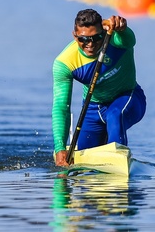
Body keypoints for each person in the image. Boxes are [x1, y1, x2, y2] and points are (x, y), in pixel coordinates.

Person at [52, 9, 146, 166]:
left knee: (115, 115)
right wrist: (60, 148)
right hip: (93, 108)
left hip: (128, 98)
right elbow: (61, 107)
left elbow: (130, 39)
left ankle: (118, 162)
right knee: (83, 159)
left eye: (97, 38)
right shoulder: (64, 63)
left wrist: (123, 27)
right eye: (83, 39)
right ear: (74, 36)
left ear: (104, 32)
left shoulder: (117, 39)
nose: (90, 44)